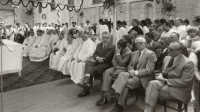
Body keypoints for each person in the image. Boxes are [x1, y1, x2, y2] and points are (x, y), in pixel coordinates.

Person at [144, 41, 194, 112]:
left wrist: (165, 80)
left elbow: (184, 82)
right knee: (152, 84)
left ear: (179, 51)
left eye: (171, 49)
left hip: (179, 89)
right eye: (168, 48)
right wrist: (161, 75)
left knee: (151, 89)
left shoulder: (188, 63)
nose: (168, 50)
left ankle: (148, 110)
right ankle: (148, 110)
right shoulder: (167, 58)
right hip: (167, 83)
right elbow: (165, 72)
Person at [110, 37, 157, 112]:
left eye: (140, 43)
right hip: (133, 75)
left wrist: (136, 73)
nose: (138, 44)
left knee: (124, 84)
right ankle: (117, 100)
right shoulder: (134, 53)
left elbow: (149, 70)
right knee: (122, 74)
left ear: (145, 44)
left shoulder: (150, 54)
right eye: (136, 43)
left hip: (144, 78)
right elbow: (130, 66)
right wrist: (133, 73)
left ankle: (117, 102)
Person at [77, 31, 115, 97]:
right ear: (101, 38)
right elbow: (94, 54)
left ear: (110, 38)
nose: (105, 39)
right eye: (103, 38)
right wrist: (97, 57)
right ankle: (86, 82)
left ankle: (86, 87)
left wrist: (97, 57)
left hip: (105, 65)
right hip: (97, 62)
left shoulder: (112, 46)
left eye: (106, 38)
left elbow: (106, 58)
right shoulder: (99, 45)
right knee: (88, 62)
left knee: (90, 69)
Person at [95, 39, 132, 106]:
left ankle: (104, 98)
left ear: (122, 47)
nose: (117, 47)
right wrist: (116, 66)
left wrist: (118, 54)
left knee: (109, 75)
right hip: (116, 67)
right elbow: (113, 60)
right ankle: (105, 93)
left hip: (123, 70)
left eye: (119, 47)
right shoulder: (117, 49)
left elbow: (122, 63)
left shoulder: (129, 53)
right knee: (106, 72)